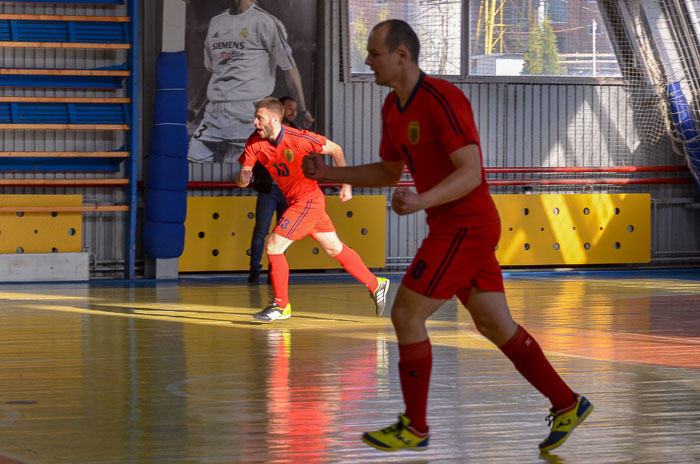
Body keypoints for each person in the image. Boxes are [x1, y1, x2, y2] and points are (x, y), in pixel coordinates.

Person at [302, 19, 593, 453]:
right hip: (452, 225)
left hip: (467, 225)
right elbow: (387, 171)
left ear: (402, 55)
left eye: (374, 52)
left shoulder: (443, 99)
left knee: (406, 315)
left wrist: (421, 201)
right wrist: (330, 173)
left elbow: (471, 172)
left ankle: (415, 427)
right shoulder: (391, 110)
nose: (367, 60)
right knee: (495, 324)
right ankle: (567, 403)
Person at [237, 97, 390, 322]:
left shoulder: (298, 139)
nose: (255, 122)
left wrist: (346, 183)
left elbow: (336, 149)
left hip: (307, 201)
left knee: (274, 244)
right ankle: (376, 283)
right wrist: (243, 177)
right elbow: (243, 178)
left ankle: (281, 306)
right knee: (334, 248)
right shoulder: (253, 143)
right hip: (301, 203)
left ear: (275, 120)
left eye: (259, 118)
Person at [188, 0, 314, 163]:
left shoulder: (266, 22)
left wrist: (302, 110)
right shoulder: (216, 22)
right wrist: (196, 106)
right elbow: (212, 71)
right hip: (214, 113)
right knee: (192, 160)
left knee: (241, 173)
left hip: (248, 113)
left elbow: (289, 68)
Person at [247, 96, 298, 284]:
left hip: (288, 191)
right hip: (269, 190)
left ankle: (274, 271)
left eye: (295, 108)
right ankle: (254, 269)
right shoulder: (263, 131)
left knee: (282, 233)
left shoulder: (297, 132)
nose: (293, 112)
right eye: (289, 108)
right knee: (261, 230)